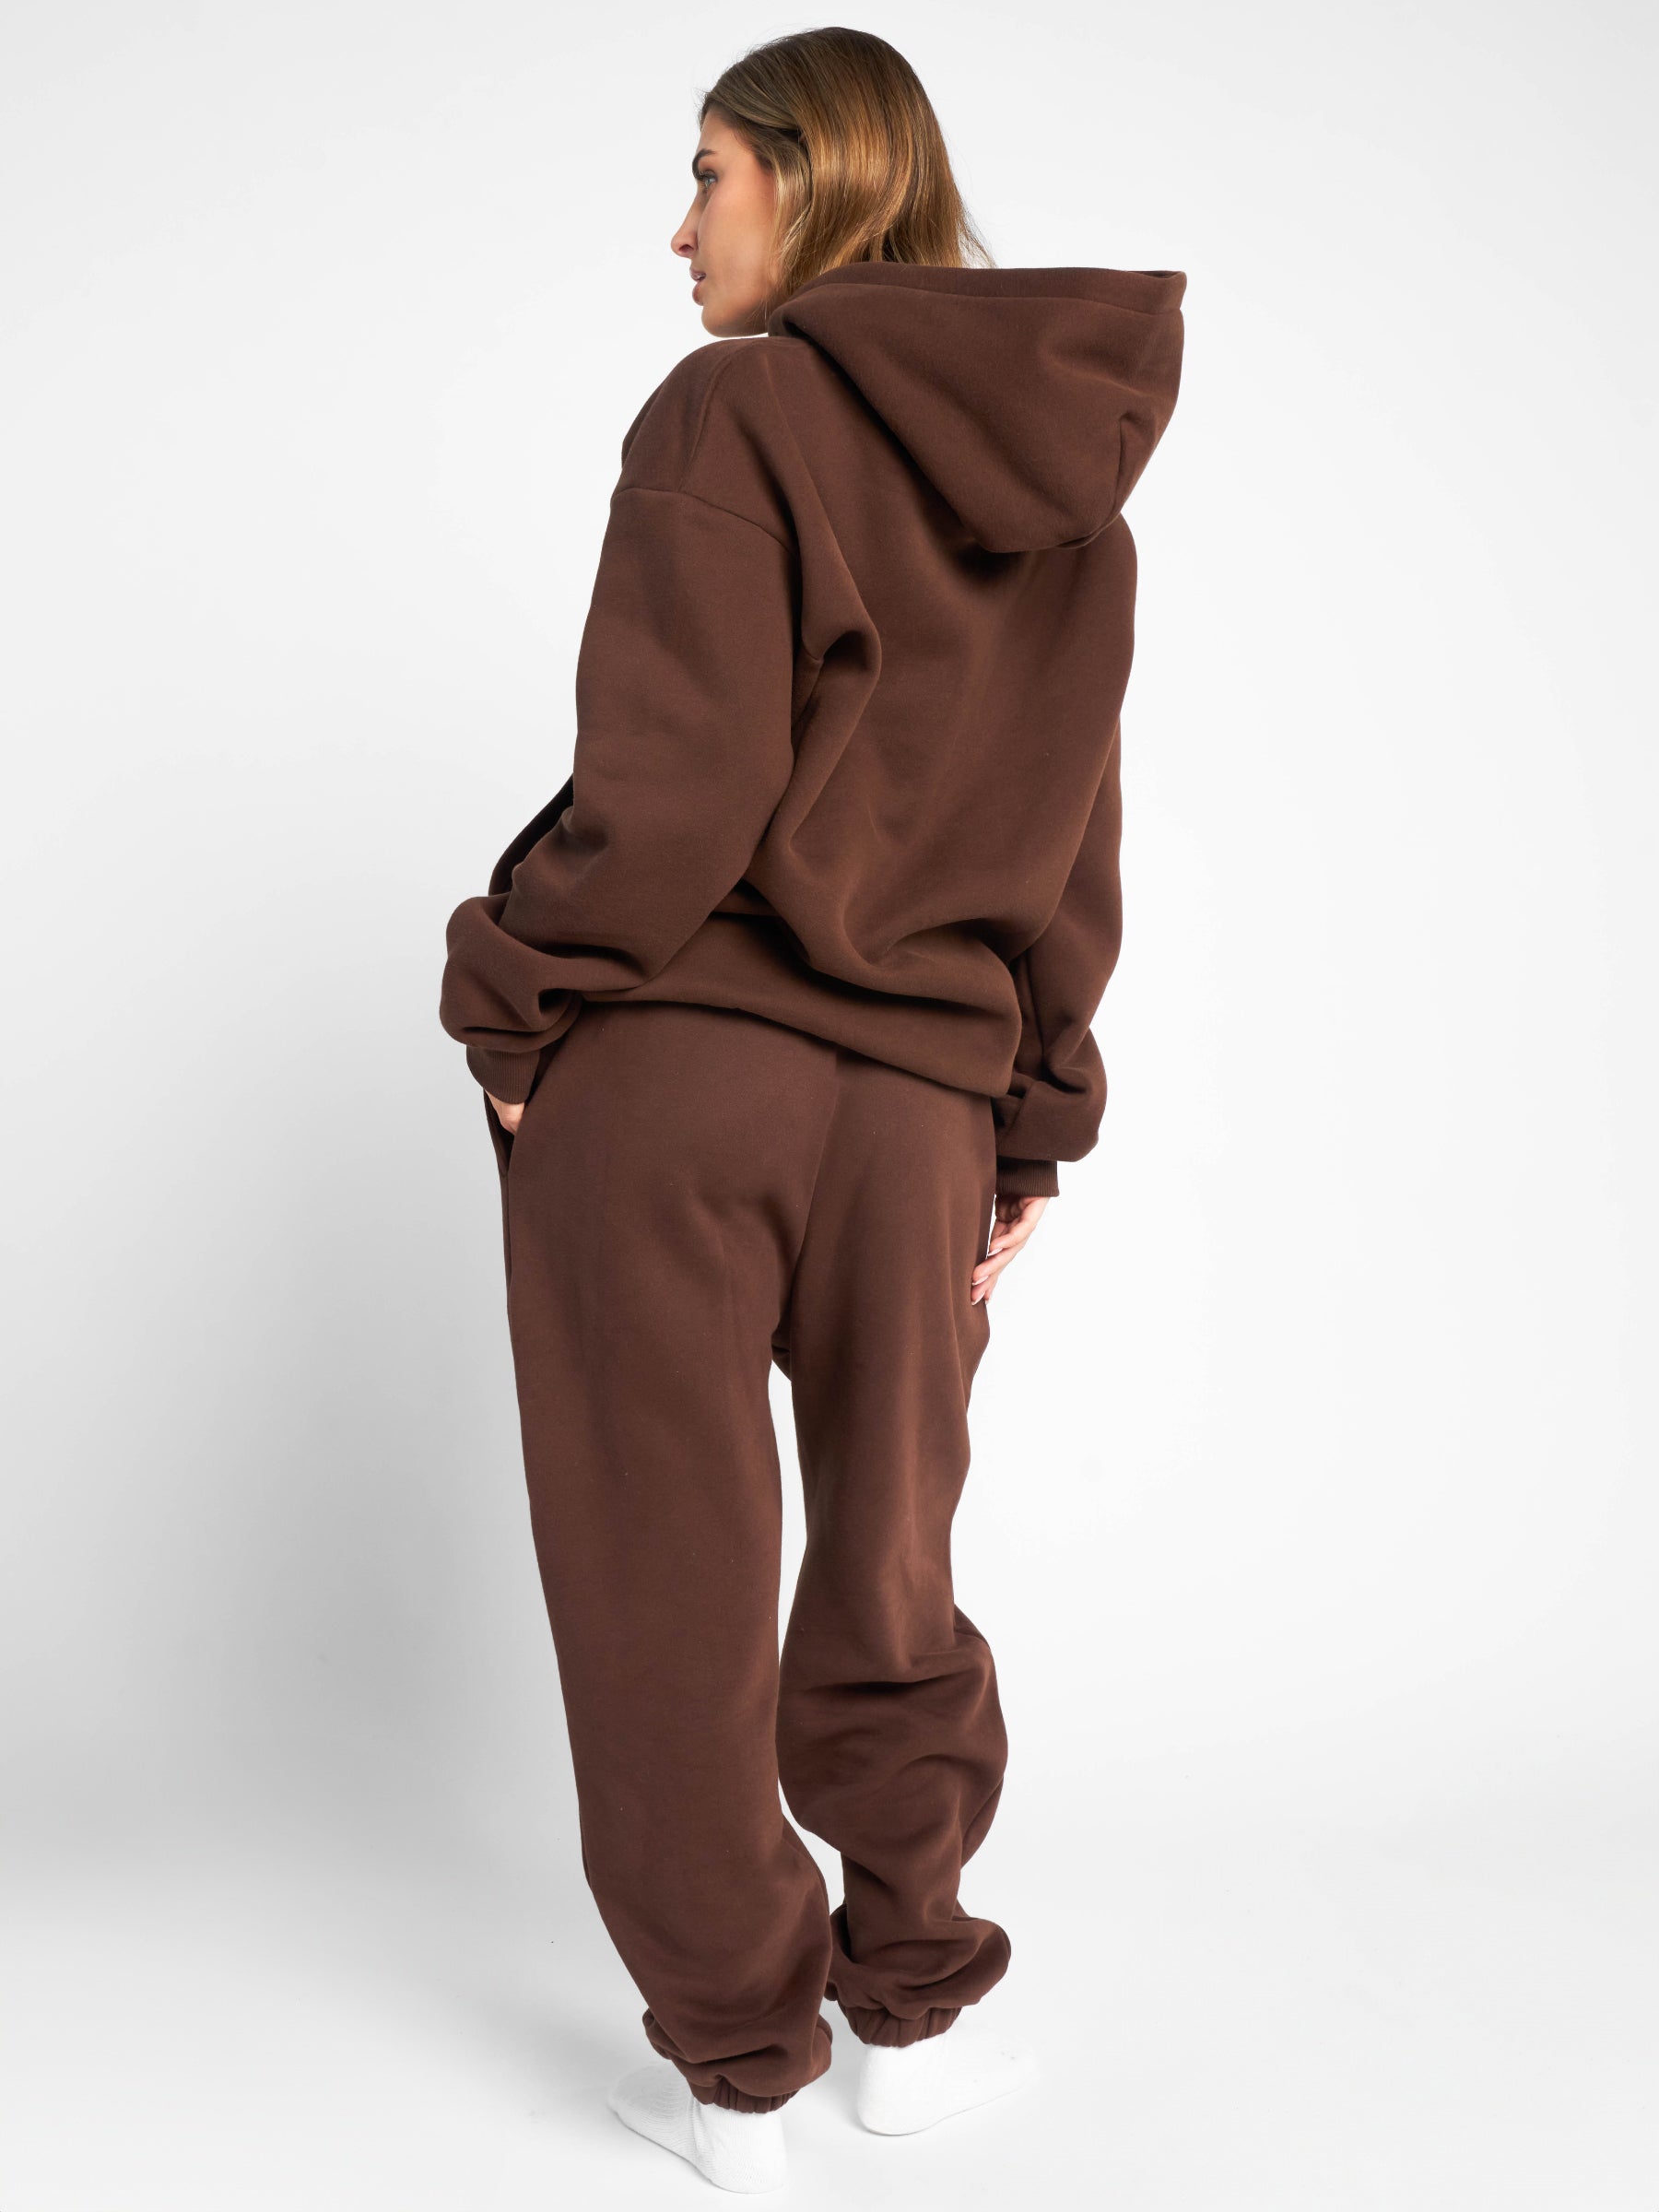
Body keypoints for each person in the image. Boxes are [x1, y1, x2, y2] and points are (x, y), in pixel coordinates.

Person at [438, 25, 1184, 2195]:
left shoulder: (735, 412)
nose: (679, 230)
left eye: (709, 174)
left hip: (680, 1079)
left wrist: (508, 1006)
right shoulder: (1078, 513)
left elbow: (670, 796)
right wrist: (1030, 1118)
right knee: (891, 1561)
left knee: (662, 1582)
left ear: (820, 174)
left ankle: (740, 2075)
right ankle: (913, 2009)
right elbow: (1070, 842)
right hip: (923, 1111)